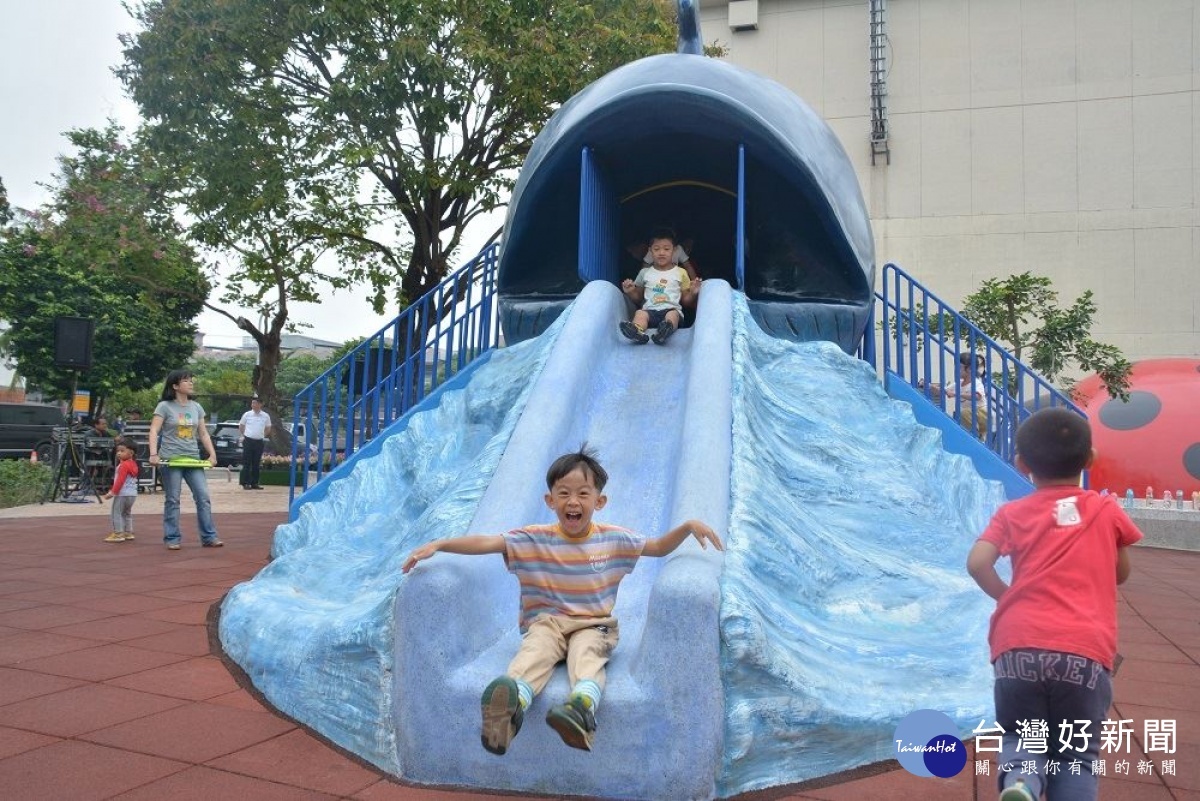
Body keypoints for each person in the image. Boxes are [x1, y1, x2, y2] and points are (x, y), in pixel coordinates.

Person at [402, 446, 723, 755]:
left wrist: (686, 527)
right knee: (534, 650)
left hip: (593, 624)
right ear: (550, 500)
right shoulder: (534, 537)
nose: (573, 501)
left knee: (587, 654)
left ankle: (581, 708)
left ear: (600, 501)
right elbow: (488, 542)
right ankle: (511, 707)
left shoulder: (613, 538)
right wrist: (441, 544)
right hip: (547, 623)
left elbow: (655, 547)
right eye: (564, 493)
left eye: (583, 494)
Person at [966, 408, 1143, 801]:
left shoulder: (1012, 512)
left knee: (1021, 735)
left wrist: (1008, 596)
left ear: (1021, 463)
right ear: (1090, 459)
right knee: (1076, 756)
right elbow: (1120, 574)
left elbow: (977, 563)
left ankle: (1022, 783)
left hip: (1017, 647)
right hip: (1083, 652)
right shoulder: (1105, 509)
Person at [148, 370, 223, 550]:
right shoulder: (164, 406)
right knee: (173, 499)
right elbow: (153, 431)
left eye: (191, 381)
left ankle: (209, 536)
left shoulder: (196, 407)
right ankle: (172, 537)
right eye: (186, 381)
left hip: (192, 458)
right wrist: (153, 453)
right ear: (175, 386)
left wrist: (212, 454)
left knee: (203, 497)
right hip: (170, 459)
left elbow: (203, 433)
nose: (191, 383)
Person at [619, 228, 702, 345]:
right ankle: (636, 332)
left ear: (674, 251)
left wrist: (693, 293)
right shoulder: (645, 273)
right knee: (640, 314)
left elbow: (685, 301)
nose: (661, 252)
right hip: (650, 311)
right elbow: (638, 298)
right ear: (650, 251)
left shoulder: (681, 272)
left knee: (672, 315)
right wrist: (631, 291)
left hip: (671, 309)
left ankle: (665, 330)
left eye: (666, 249)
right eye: (656, 249)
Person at [920, 352, 989, 439]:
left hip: (982, 415)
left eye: (959, 367)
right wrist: (929, 385)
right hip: (971, 418)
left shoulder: (976, 382)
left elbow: (977, 396)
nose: (956, 370)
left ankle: (975, 436)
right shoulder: (958, 383)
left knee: (964, 413)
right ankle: (975, 437)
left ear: (970, 369)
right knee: (962, 415)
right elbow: (942, 391)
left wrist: (956, 393)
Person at [102, 437, 140, 543]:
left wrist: (112, 492)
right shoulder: (133, 464)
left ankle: (118, 533)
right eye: (118, 451)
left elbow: (120, 481)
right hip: (132, 494)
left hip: (122, 494)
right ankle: (128, 532)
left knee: (116, 512)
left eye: (122, 451)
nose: (118, 453)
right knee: (127, 513)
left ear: (131, 453)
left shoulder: (123, 465)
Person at [238, 397, 272, 490]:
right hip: (248, 440)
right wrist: (244, 435)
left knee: (256, 463)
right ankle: (245, 483)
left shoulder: (265, 416)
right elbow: (241, 426)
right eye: (252, 403)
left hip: (259, 441)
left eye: (255, 403)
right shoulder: (247, 414)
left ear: (260, 404)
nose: (253, 405)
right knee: (247, 462)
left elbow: (268, 428)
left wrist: (262, 435)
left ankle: (255, 483)